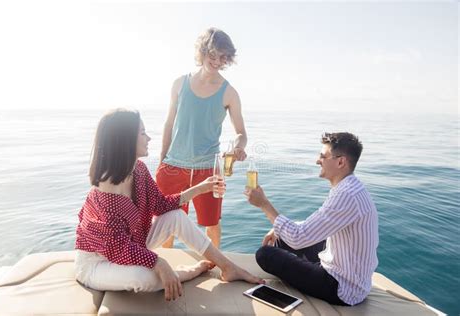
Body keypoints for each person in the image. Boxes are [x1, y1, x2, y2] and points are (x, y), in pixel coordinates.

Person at [74, 108, 262, 301]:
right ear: (126, 140)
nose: (148, 138)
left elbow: (161, 205)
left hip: (133, 243)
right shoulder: (105, 195)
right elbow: (117, 250)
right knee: (144, 277)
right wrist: (160, 263)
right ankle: (186, 273)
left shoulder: (138, 169)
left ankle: (227, 267)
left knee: (176, 216)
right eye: (142, 133)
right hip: (98, 263)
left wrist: (200, 188)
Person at [244, 132, 378, 306]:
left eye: (323, 156)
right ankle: (306, 266)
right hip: (352, 271)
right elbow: (313, 228)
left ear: (340, 162)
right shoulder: (351, 187)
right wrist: (278, 229)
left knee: (265, 255)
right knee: (281, 240)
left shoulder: (346, 195)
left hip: (343, 288)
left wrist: (264, 204)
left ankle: (307, 270)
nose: (317, 160)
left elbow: (298, 238)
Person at [157, 27, 248, 248]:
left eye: (223, 57)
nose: (216, 62)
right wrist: (161, 161)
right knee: (166, 224)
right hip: (173, 166)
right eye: (213, 55)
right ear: (203, 52)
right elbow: (169, 124)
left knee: (212, 223)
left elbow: (241, 134)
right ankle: (166, 272)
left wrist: (237, 147)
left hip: (208, 168)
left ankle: (213, 267)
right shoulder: (179, 84)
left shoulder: (230, 93)